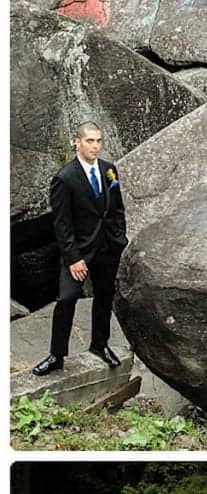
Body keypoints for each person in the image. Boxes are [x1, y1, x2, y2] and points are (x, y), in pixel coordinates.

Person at [33, 121, 128, 376]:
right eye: (90, 141)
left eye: (98, 141)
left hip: (107, 248)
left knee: (105, 297)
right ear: (77, 142)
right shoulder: (64, 178)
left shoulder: (109, 170)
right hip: (79, 252)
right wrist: (73, 258)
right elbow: (62, 224)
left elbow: (117, 208)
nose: (95, 146)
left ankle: (100, 344)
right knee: (66, 299)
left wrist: (120, 238)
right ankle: (56, 355)